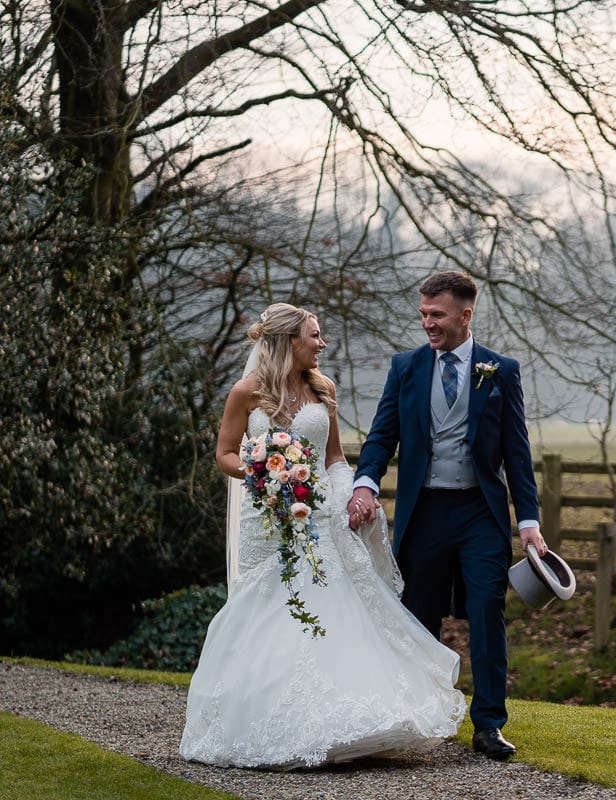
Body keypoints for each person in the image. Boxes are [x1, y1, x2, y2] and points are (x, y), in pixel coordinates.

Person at [180, 302, 466, 770]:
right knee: (266, 610)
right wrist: (261, 474)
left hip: (318, 515)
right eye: (314, 335)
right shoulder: (246, 392)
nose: (322, 343)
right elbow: (225, 453)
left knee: (330, 607)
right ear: (290, 340)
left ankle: (344, 722)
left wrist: (343, 498)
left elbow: (334, 458)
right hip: (267, 519)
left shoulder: (322, 388)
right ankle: (269, 722)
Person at [349, 271, 545, 761]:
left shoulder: (500, 371)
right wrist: (365, 484)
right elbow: (381, 436)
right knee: (418, 618)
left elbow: (517, 454)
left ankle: (489, 726)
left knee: (486, 612)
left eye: (436, 314)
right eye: (423, 314)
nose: (428, 323)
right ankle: (417, 717)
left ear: (465, 314)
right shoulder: (406, 367)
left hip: (481, 513)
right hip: (426, 512)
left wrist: (529, 522)